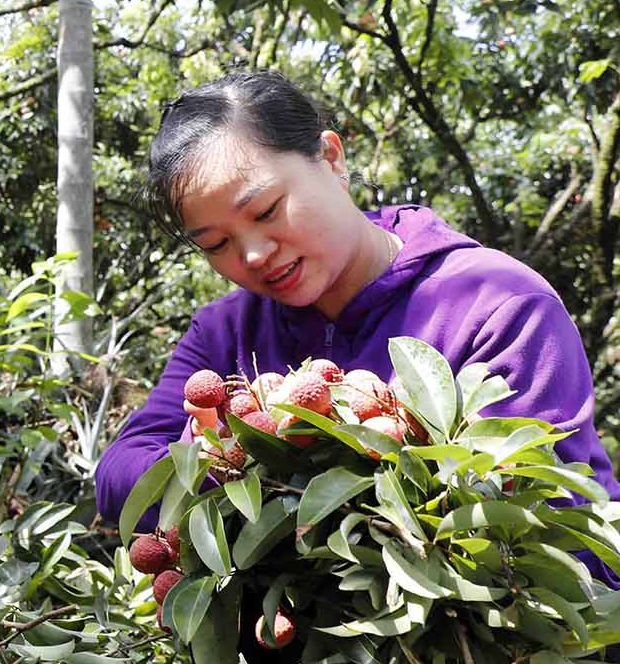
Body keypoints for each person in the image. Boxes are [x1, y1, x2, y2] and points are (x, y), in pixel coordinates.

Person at [96, 68, 619, 528]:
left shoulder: (497, 304)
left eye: (266, 212)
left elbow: (553, 521)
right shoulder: (225, 332)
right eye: (216, 244)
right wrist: (235, 461)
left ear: (331, 158)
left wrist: (286, 458)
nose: (253, 255)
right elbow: (119, 477)